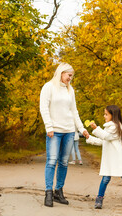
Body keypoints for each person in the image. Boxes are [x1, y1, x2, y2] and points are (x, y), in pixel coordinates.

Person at [39, 62, 89, 207]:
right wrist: (48, 126)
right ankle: (48, 192)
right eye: (69, 75)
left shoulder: (70, 90)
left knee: (63, 162)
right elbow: (44, 108)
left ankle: (58, 192)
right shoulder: (49, 87)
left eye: (71, 76)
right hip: (54, 131)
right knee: (51, 161)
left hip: (69, 131)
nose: (70, 78)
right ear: (61, 72)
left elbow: (74, 111)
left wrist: (81, 128)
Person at [84, 105, 122, 209]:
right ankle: (99, 199)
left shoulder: (116, 127)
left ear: (113, 115)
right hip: (109, 159)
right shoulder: (108, 127)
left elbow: (106, 136)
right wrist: (89, 137)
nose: (104, 116)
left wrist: (96, 129)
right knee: (105, 178)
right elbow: (103, 141)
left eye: (106, 114)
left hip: (117, 158)